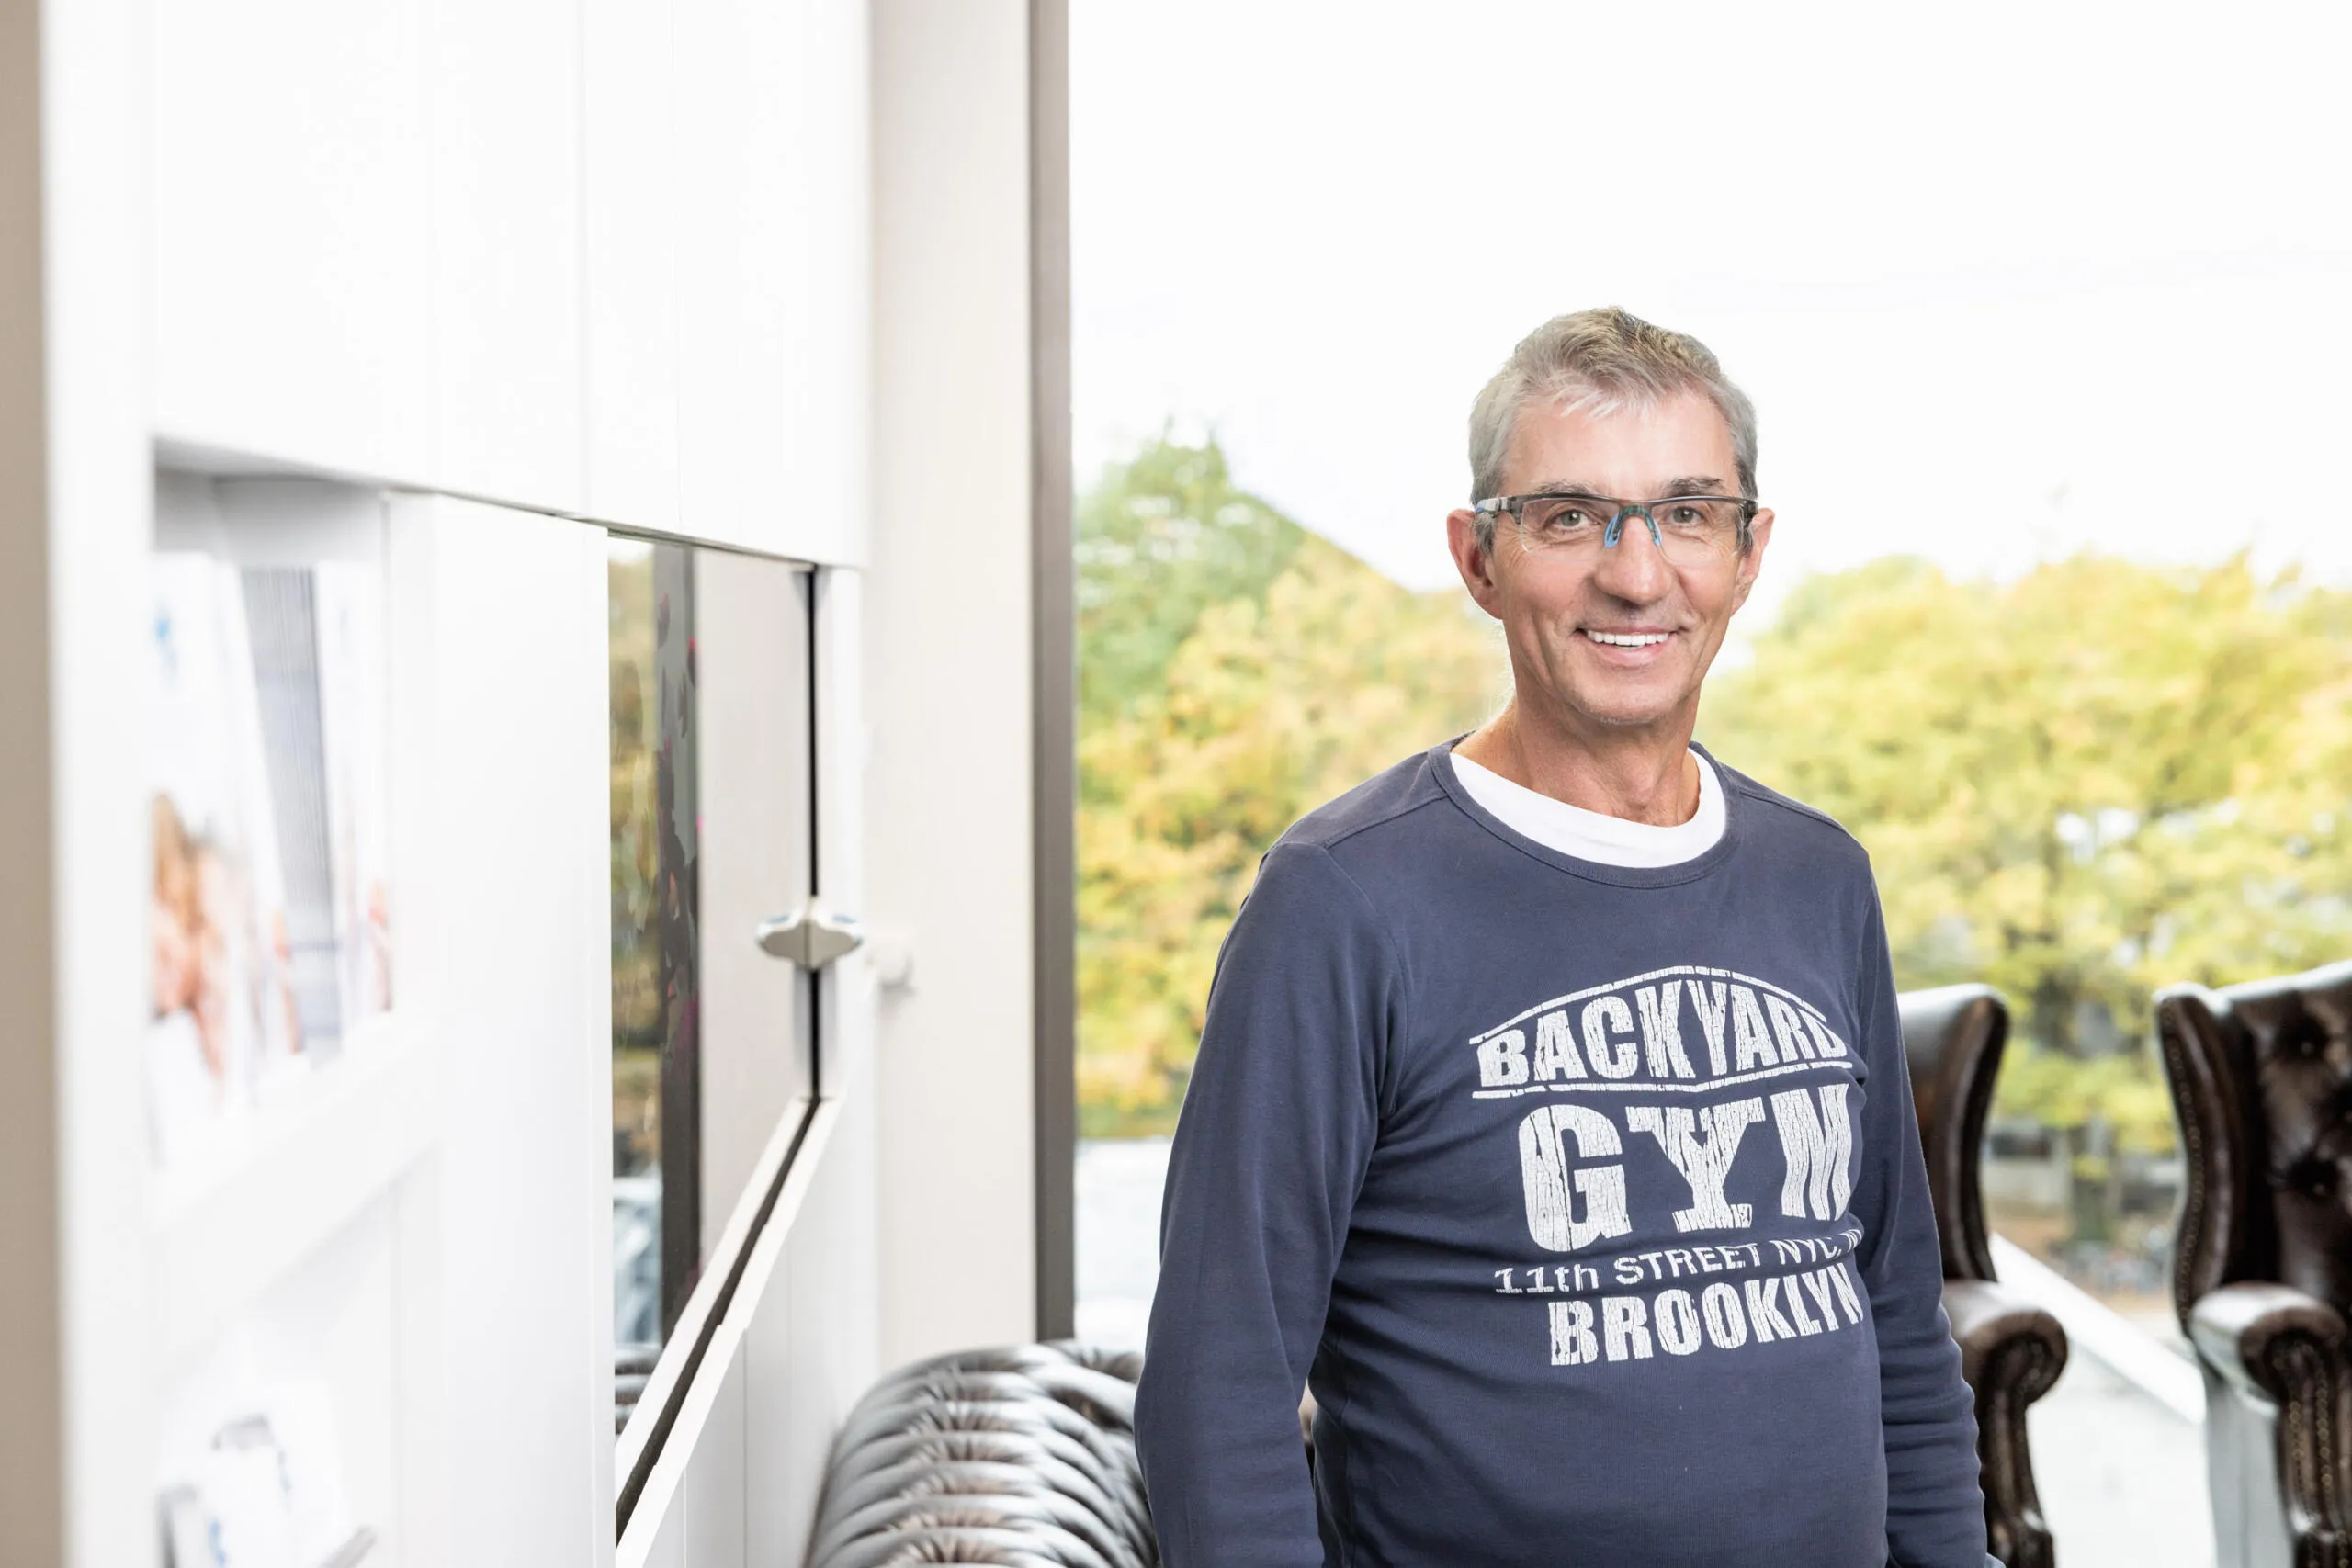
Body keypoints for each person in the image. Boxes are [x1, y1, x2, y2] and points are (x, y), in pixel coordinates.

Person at [1134, 307, 1992, 1567]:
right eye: (1570, 516)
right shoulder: (1341, 901)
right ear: (1479, 557)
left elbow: (1899, 1320)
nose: (1637, 574)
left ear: (1749, 553)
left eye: (1689, 513)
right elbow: (1219, 1386)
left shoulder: (1820, 876)